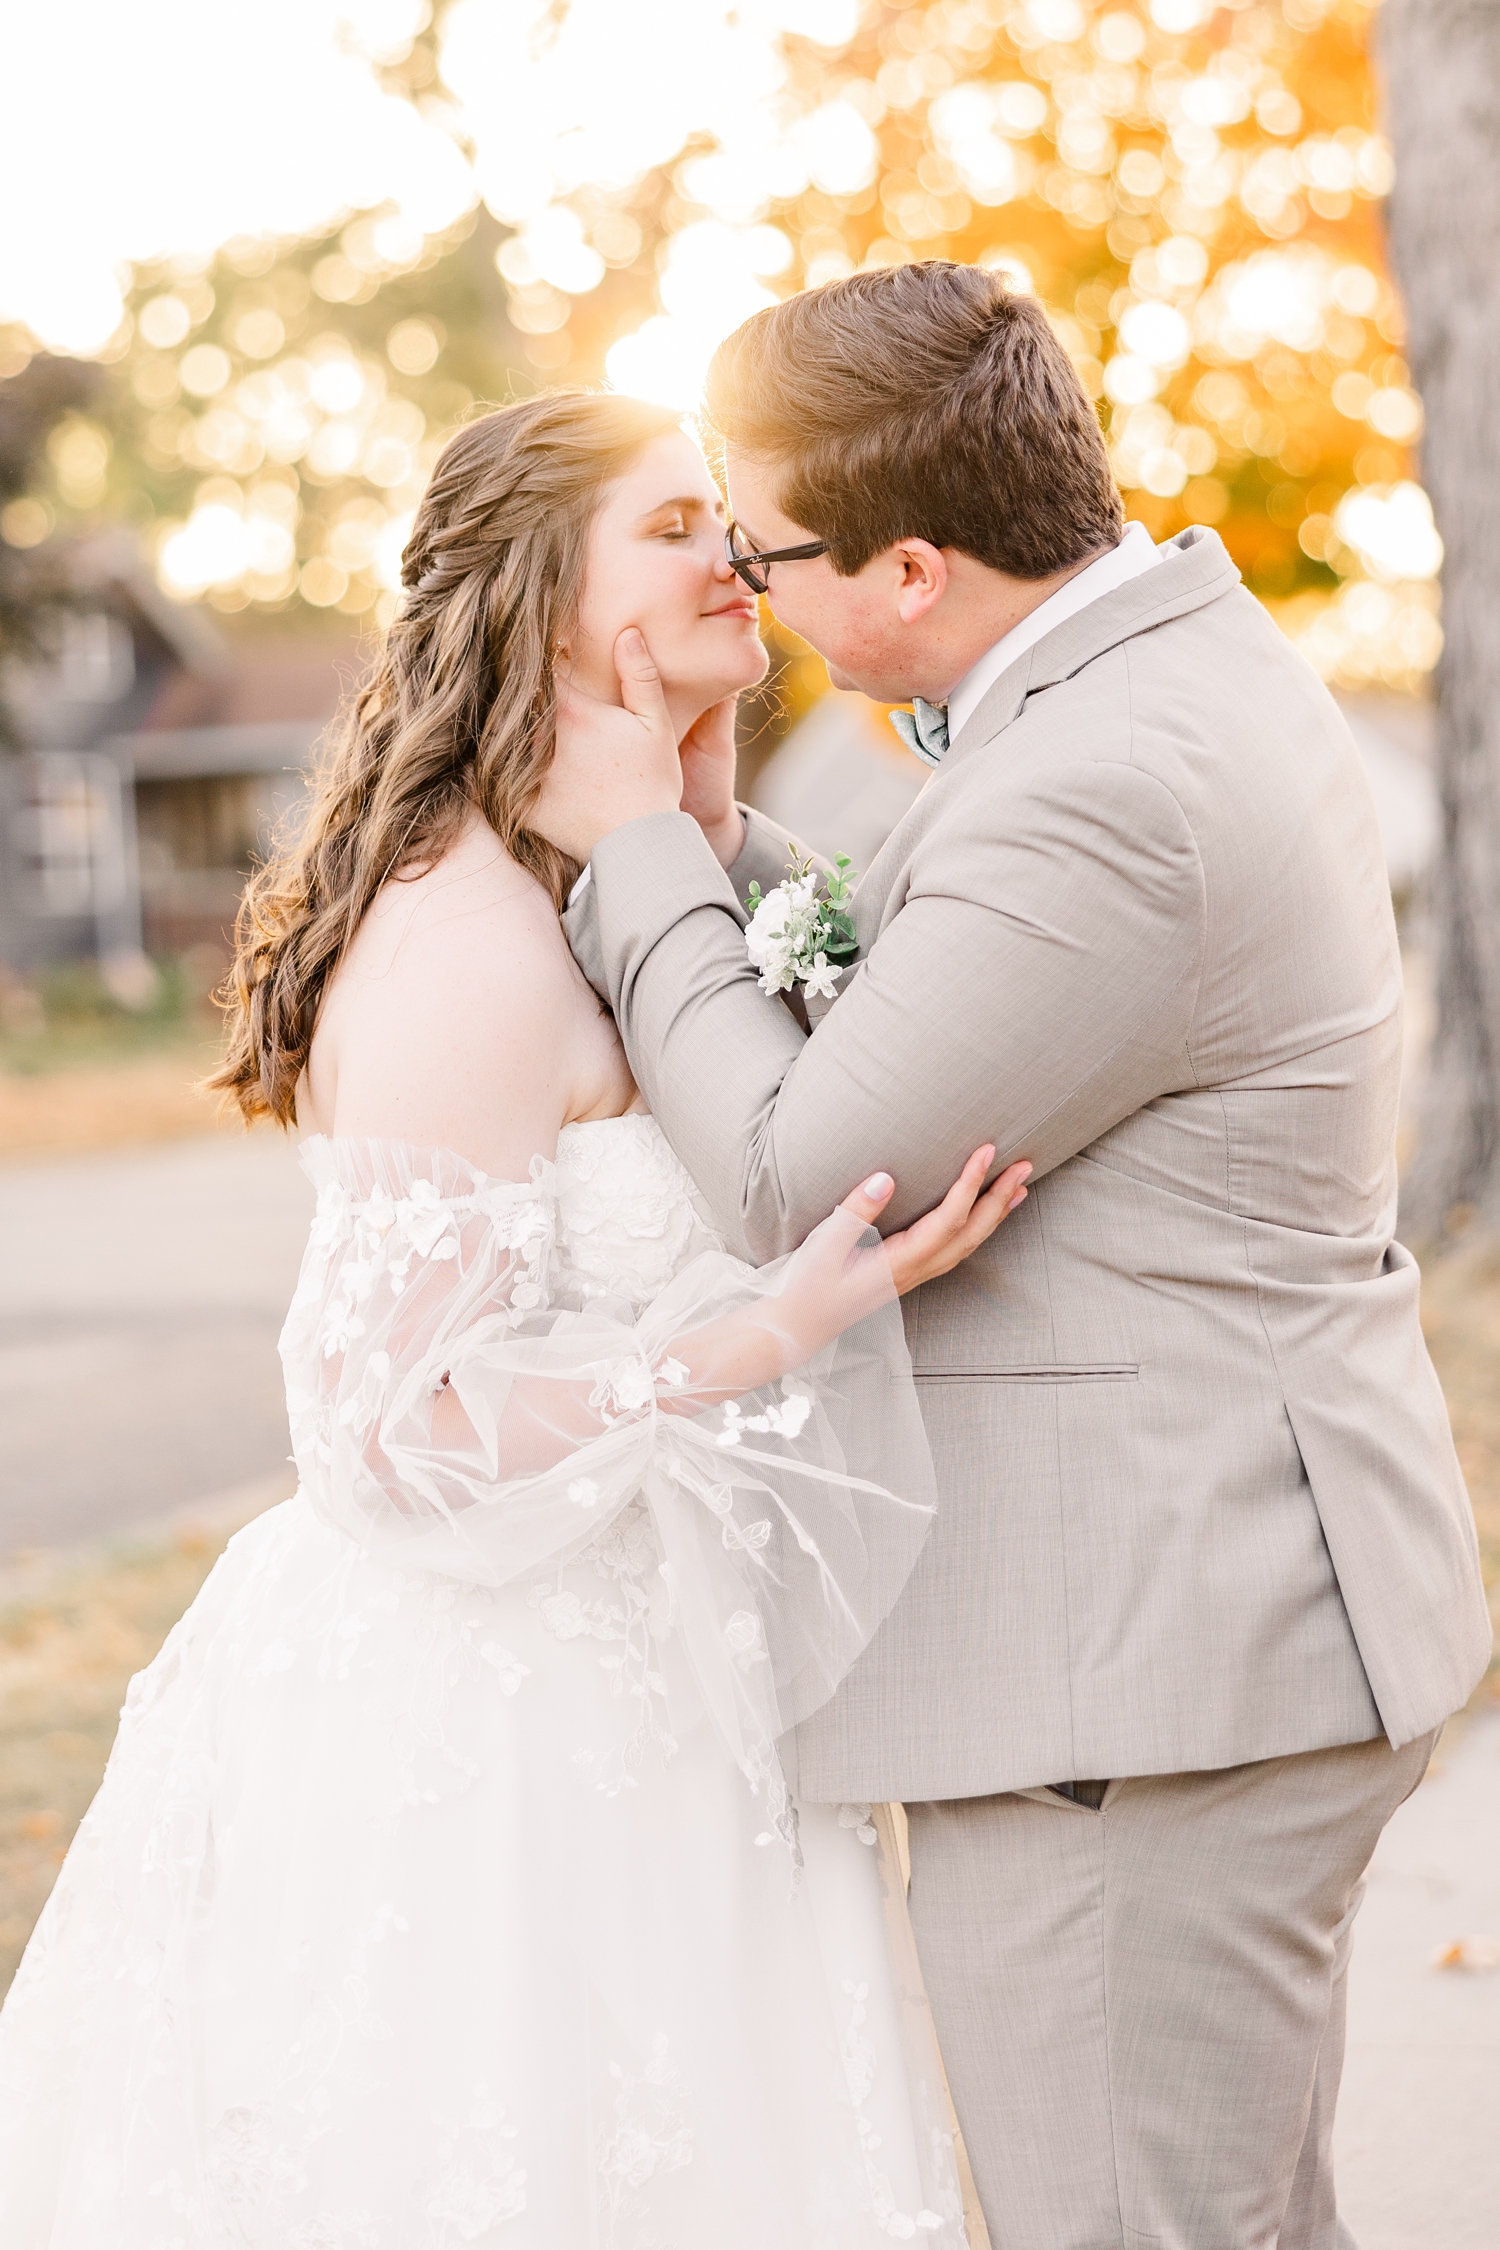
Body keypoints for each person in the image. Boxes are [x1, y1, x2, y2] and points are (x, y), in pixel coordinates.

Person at [0, 391, 1032, 2247]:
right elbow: (381, 1428)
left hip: (684, 1691)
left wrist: (699, 803)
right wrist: (760, 1335)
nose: (735, 552)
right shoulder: (460, 931)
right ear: (543, 596)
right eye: (669, 527)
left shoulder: (634, 886)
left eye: (727, 520)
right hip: (491, 1735)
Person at [538, 264, 1494, 2250]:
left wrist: (637, 855)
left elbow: (809, 1174)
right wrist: (720, 854)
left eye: (764, 546)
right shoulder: (1129, 687)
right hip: (1185, 1635)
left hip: (1145, 1682)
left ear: (903, 567)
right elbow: (956, 980)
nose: (746, 582)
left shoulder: (1101, 779)